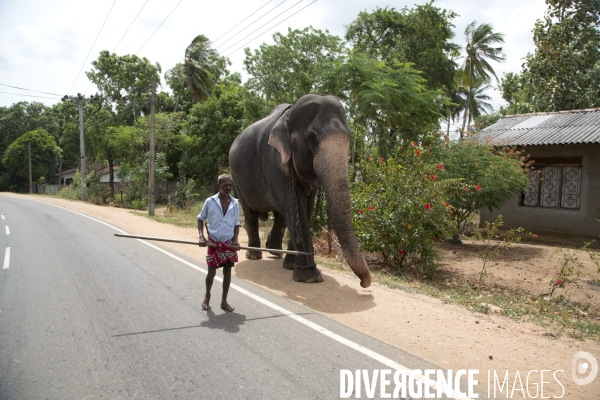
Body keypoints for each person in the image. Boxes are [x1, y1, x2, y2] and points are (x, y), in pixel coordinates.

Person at [197, 174, 240, 312]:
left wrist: (235, 240)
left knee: (227, 272)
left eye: (230, 185)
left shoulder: (235, 203)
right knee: (211, 273)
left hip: (228, 243)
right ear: (218, 186)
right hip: (213, 243)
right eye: (225, 185)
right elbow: (200, 219)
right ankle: (207, 296)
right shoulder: (209, 202)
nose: (228, 188)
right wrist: (201, 236)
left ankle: (224, 301)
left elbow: (236, 224)